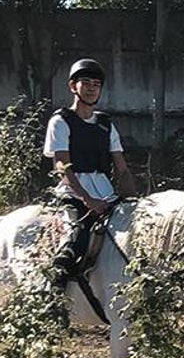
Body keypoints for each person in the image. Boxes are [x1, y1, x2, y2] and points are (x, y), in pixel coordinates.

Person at [43, 58, 136, 286]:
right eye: (86, 82)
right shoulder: (61, 121)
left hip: (105, 193)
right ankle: (52, 293)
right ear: (73, 86)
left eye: (96, 84)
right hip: (73, 193)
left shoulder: (105, 124)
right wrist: (87, 199)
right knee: (76, 240)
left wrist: (133, 200)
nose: (92, 88)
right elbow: (62, 167)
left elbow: (121, 168)